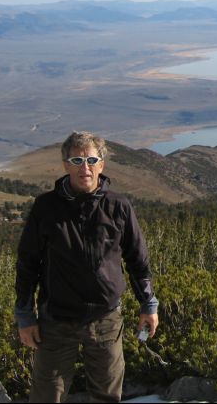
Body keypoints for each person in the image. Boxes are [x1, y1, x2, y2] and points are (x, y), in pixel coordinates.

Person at [15, 131, 159, 403]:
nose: (86, 167)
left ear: (102, 164)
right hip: (56, 320)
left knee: (106, 396)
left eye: (92, 159)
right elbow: (27, 264)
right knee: (46, 396)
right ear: (65, 164)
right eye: (77, 160)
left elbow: (138, 260)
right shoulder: (46, 207)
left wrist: (148, 304)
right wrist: (25, 315)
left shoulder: (119, 207)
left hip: (105, 319)